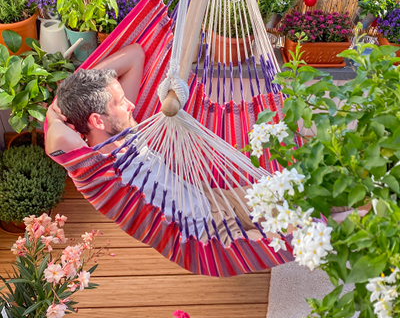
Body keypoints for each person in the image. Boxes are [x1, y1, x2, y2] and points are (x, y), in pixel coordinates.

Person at [46, 44, 269, 245]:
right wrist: (53, 112)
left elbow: (135, 55)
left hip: (210, 198)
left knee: (282, 195)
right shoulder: (99, 170)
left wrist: (70, 95)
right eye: (121, 102)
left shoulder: (126, 130)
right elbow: (58, 138)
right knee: (277, 241)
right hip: (203, 233)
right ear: (96, 120)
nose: (131, 105)